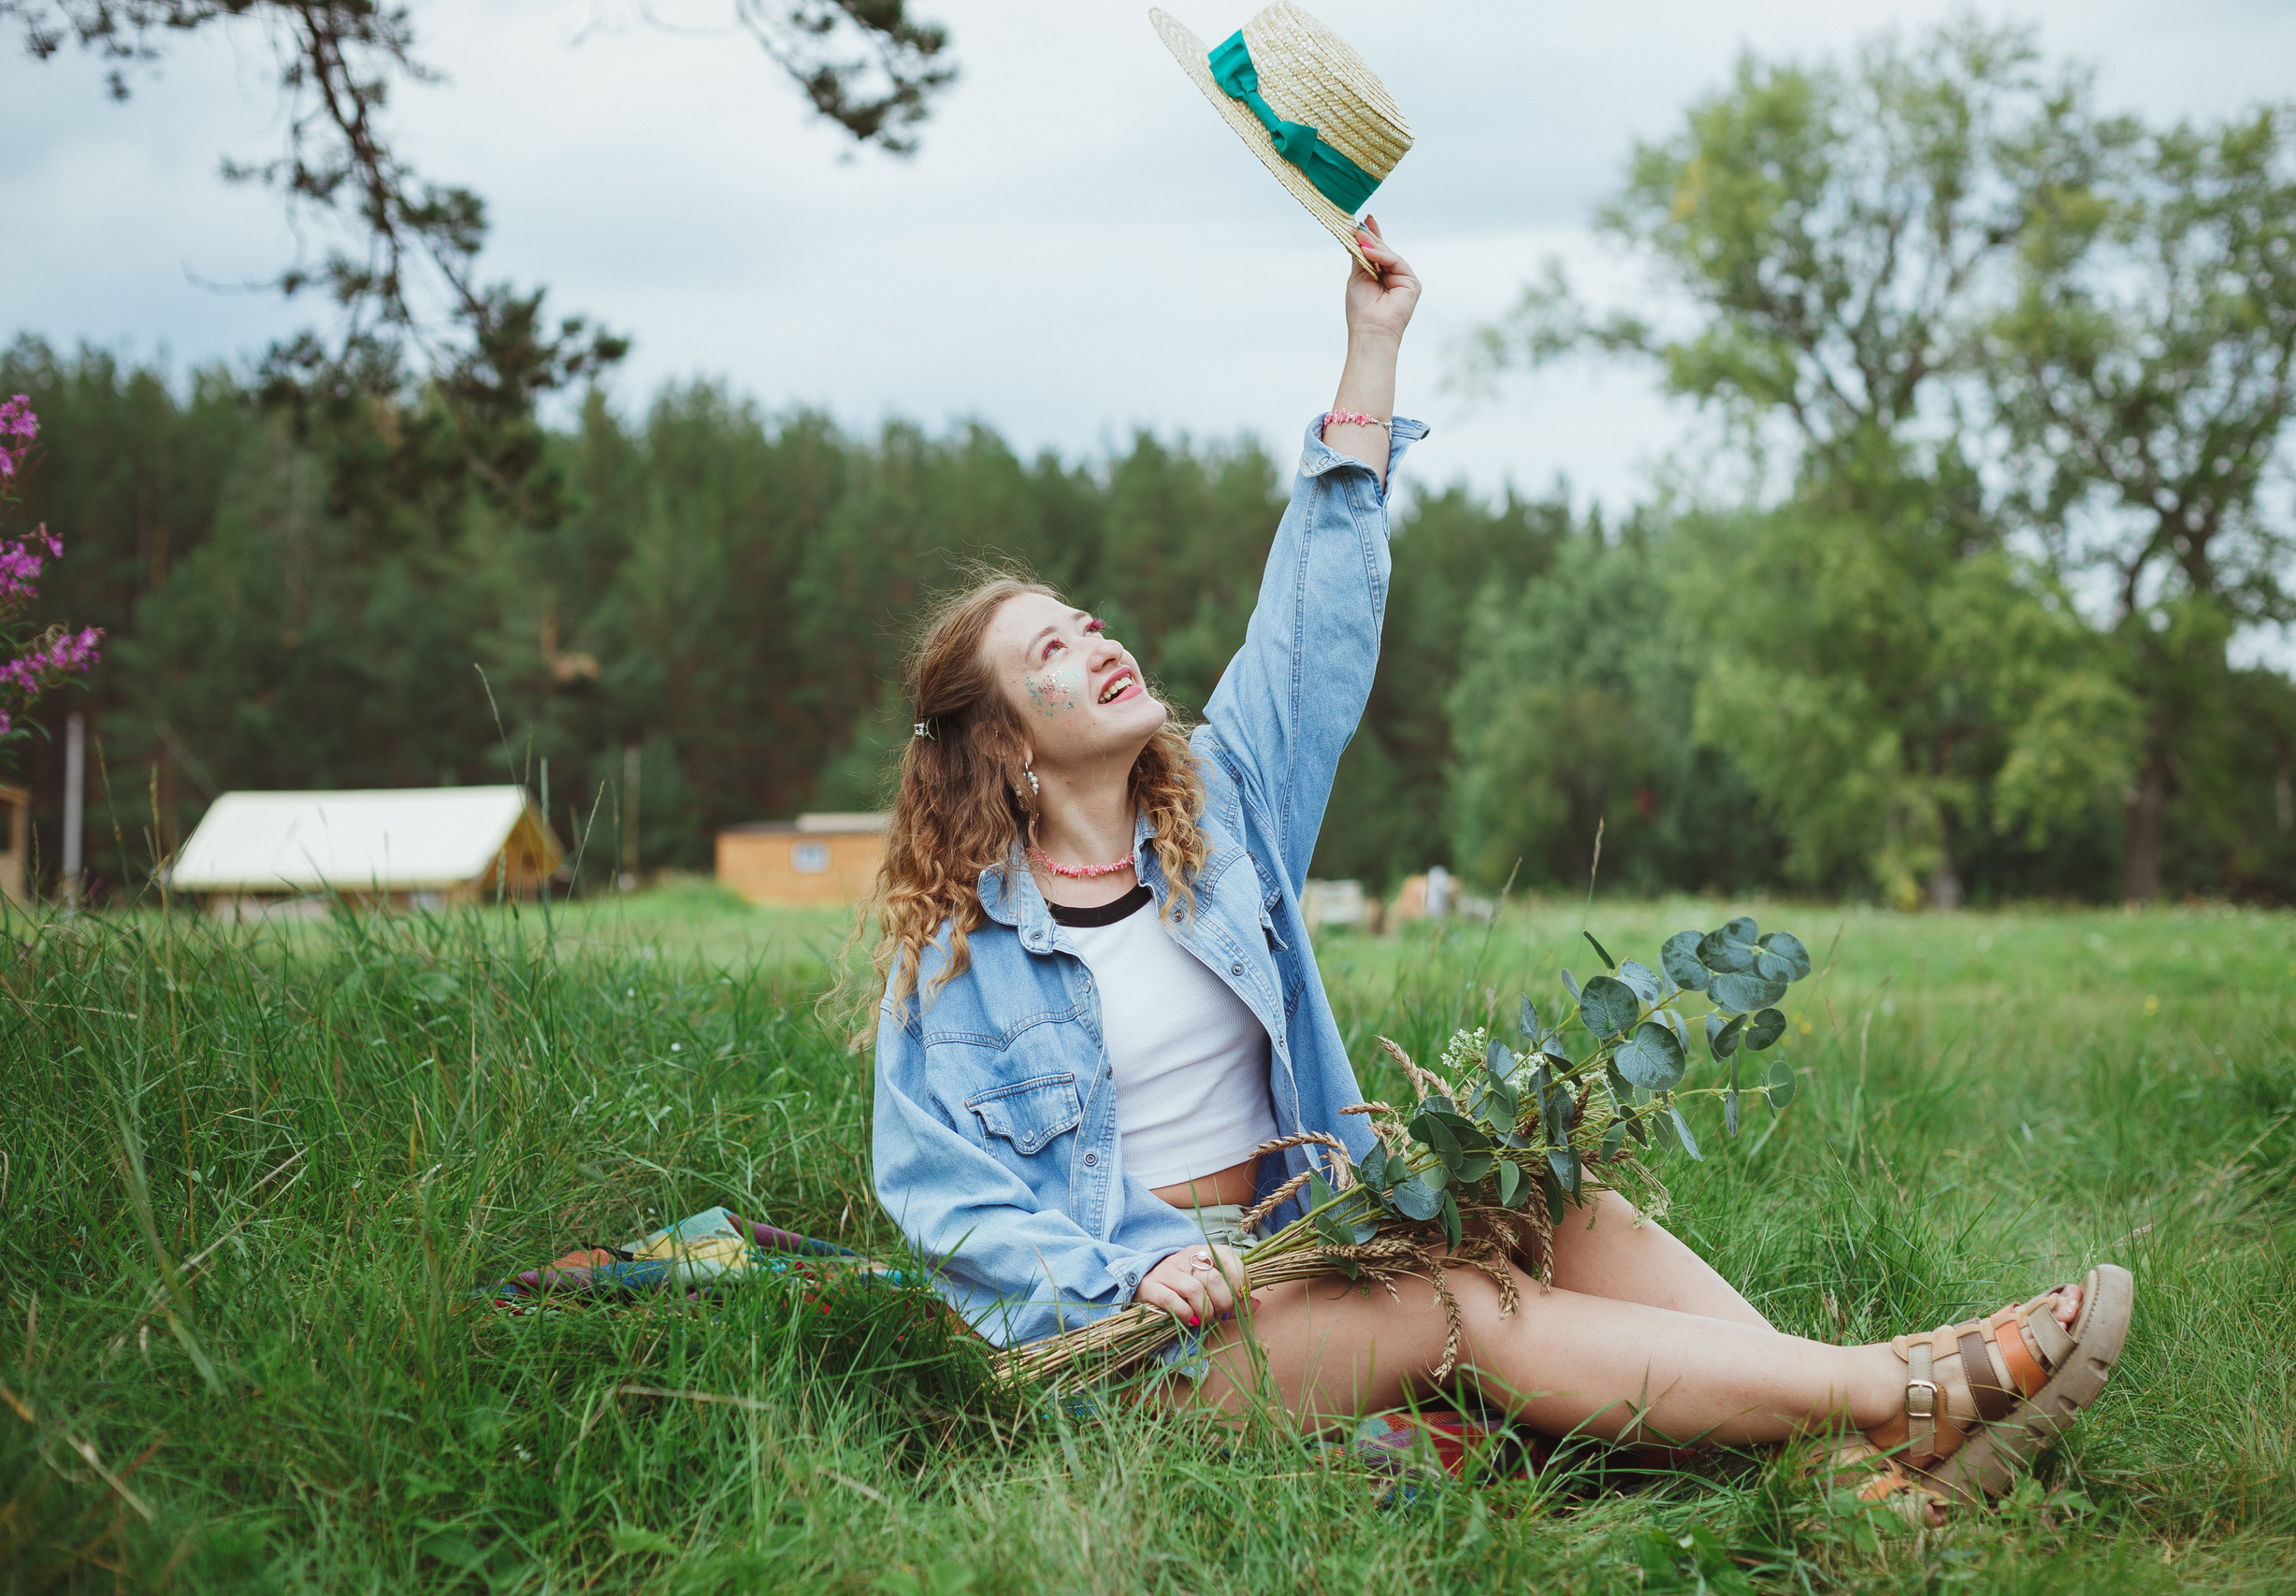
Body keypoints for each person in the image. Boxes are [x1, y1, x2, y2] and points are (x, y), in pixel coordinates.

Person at [864, 218, 2131, 1515]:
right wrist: (1123, 1277)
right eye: (1050, 659)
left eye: (1086, 624)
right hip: (1134, 1342)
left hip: (1289, 1247)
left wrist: (1371, 347)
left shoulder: (1220, 819)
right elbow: (941, 1198)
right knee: (1462, 1303)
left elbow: (1314, 624)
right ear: (1007, 749)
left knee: (1552, 1206)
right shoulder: (956, 950)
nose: (1095, 645)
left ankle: (1846, 1472)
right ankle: (1896, 1388)